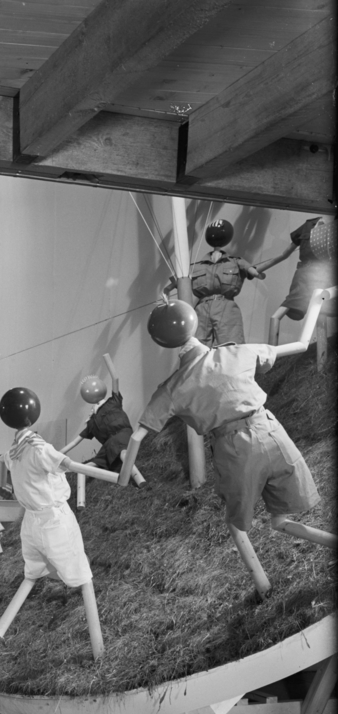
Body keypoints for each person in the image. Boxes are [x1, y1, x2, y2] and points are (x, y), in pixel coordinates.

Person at [119, 299, 335, 597]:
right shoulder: (235, 352)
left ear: (161, 340)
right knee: (280, 519)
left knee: (237, 523)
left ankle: (263, 587)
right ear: (193, 322)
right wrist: (316, 302)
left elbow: (137, 437)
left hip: (234, 449)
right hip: (271, 431)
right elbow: (298, 345)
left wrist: (123, 477)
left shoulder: (171, 388)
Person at [164, 219, 264, 348]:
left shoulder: (236, 262)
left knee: (230, 344)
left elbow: (254, 271)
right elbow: (174, 284)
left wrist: (259, 271)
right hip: (201, 309)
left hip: (226, 306)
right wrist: (166, 293)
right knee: (196, 346)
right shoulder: (195, 267)